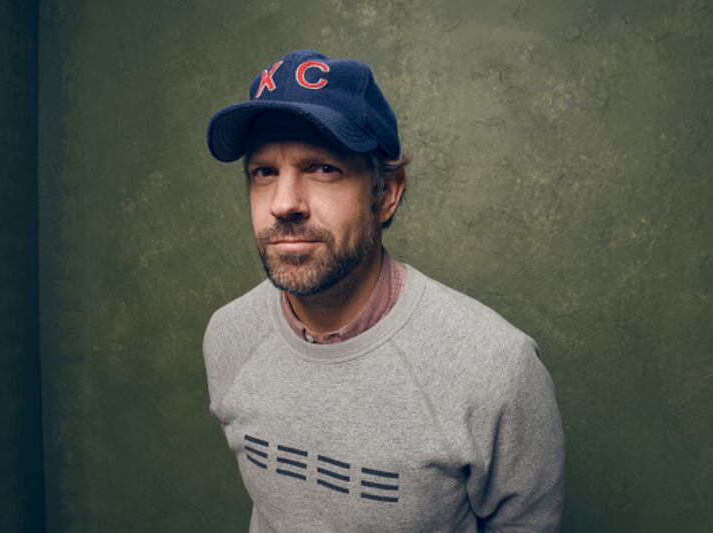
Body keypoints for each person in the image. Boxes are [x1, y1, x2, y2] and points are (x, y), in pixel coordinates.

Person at [203, 49, 565, 532]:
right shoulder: (228, 335)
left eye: (323, 168)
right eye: (264, 172)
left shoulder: (495, 368)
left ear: (387, 193)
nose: (284, 203)